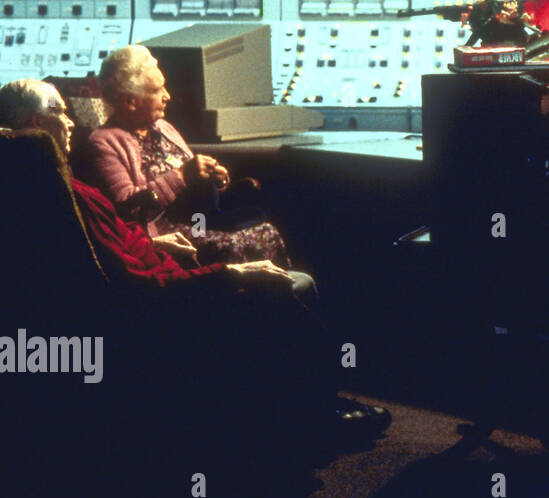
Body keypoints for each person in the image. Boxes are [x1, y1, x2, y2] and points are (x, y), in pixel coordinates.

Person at [0, 77, 390, 444]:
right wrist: (229, 272)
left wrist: (163, 242)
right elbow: (134, 281)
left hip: (165, 266)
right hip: (165, 299)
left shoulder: (53, 187)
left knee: (266, 252)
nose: (71, 122)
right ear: (37, 123)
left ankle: (300, 403)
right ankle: (315, 413)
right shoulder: (73, 191)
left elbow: (119, 239)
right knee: (291, 283)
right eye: (61, 112)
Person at [86, 44, 291, 267]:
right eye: (157, 90)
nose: (168, 96)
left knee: (266, 230)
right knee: (232, 245)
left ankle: (277, 296)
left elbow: (196, 187)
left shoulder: (163, 127)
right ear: (130, 101)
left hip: (198, 223)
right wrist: (182, 175)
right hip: (163, 235)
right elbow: (127, 208)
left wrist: (214, 178)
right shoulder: (103, 142)